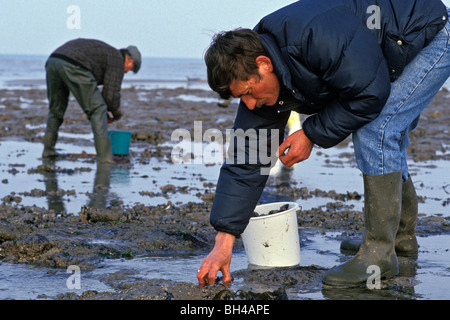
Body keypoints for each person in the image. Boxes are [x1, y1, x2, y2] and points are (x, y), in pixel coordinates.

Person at [197, 0, 449, 288]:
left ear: (264, 65)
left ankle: (380, 252)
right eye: (240, 98)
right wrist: (223, 240)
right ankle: (400, 239)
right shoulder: (255, 67)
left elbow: (369, 94)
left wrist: (311, 134)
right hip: (389, 50)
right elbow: (248, 157)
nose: (250, 104)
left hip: (432, 31)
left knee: (376, 129)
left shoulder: (313, 36)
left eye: (248, 92)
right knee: (386, 129)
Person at [42, 38, 142, 163]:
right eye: (131, 68)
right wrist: (117, 113)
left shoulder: (107, 54)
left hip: (53, 61)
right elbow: (111, 95)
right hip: (74, 63)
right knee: (98, 110)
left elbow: (100, 92)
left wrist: (103, 105)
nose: (126, 72)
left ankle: (48, 152)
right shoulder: (117, 59)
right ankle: (106, 158)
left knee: (56, 110)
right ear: (129, 59)